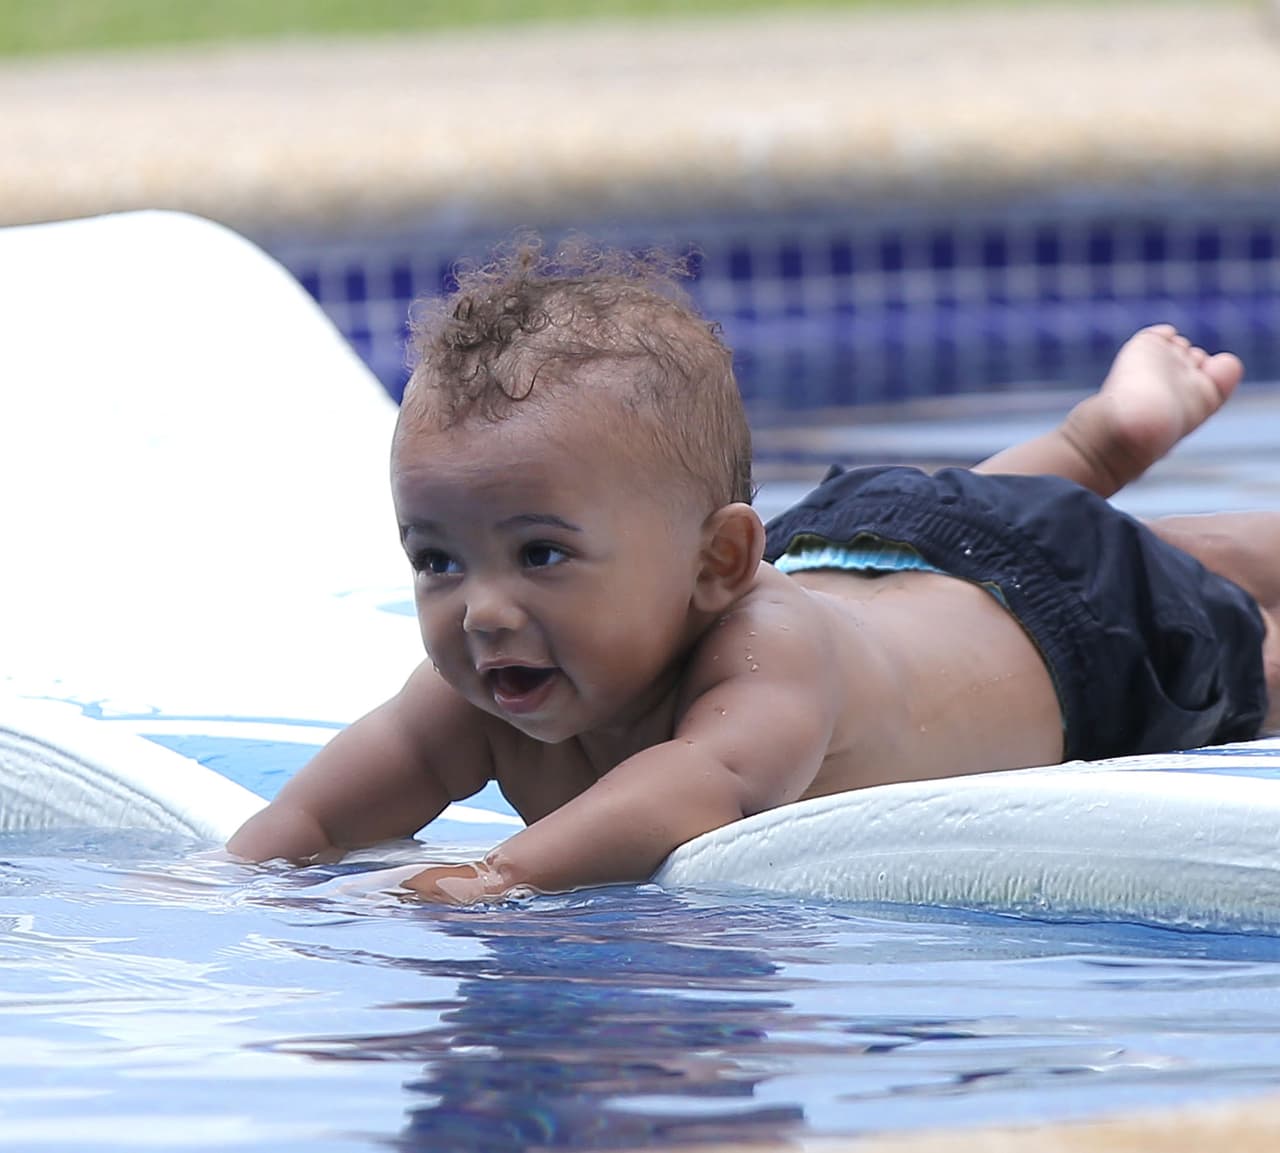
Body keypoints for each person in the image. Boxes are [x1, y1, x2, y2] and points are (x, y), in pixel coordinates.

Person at [226, 241, 1276, 904]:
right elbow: (317, 815)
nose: (483, 609)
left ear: (718, 562)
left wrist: (497, 875)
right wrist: (239, 871)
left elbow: (701, 784)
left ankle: (1103, 446)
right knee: (1046, 531)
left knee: (1240, 640)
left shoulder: (770, 654)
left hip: (1083, 639)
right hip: (857, 543)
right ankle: (1100, 439)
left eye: (540, 553)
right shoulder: (495, 675)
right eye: (437, 559)